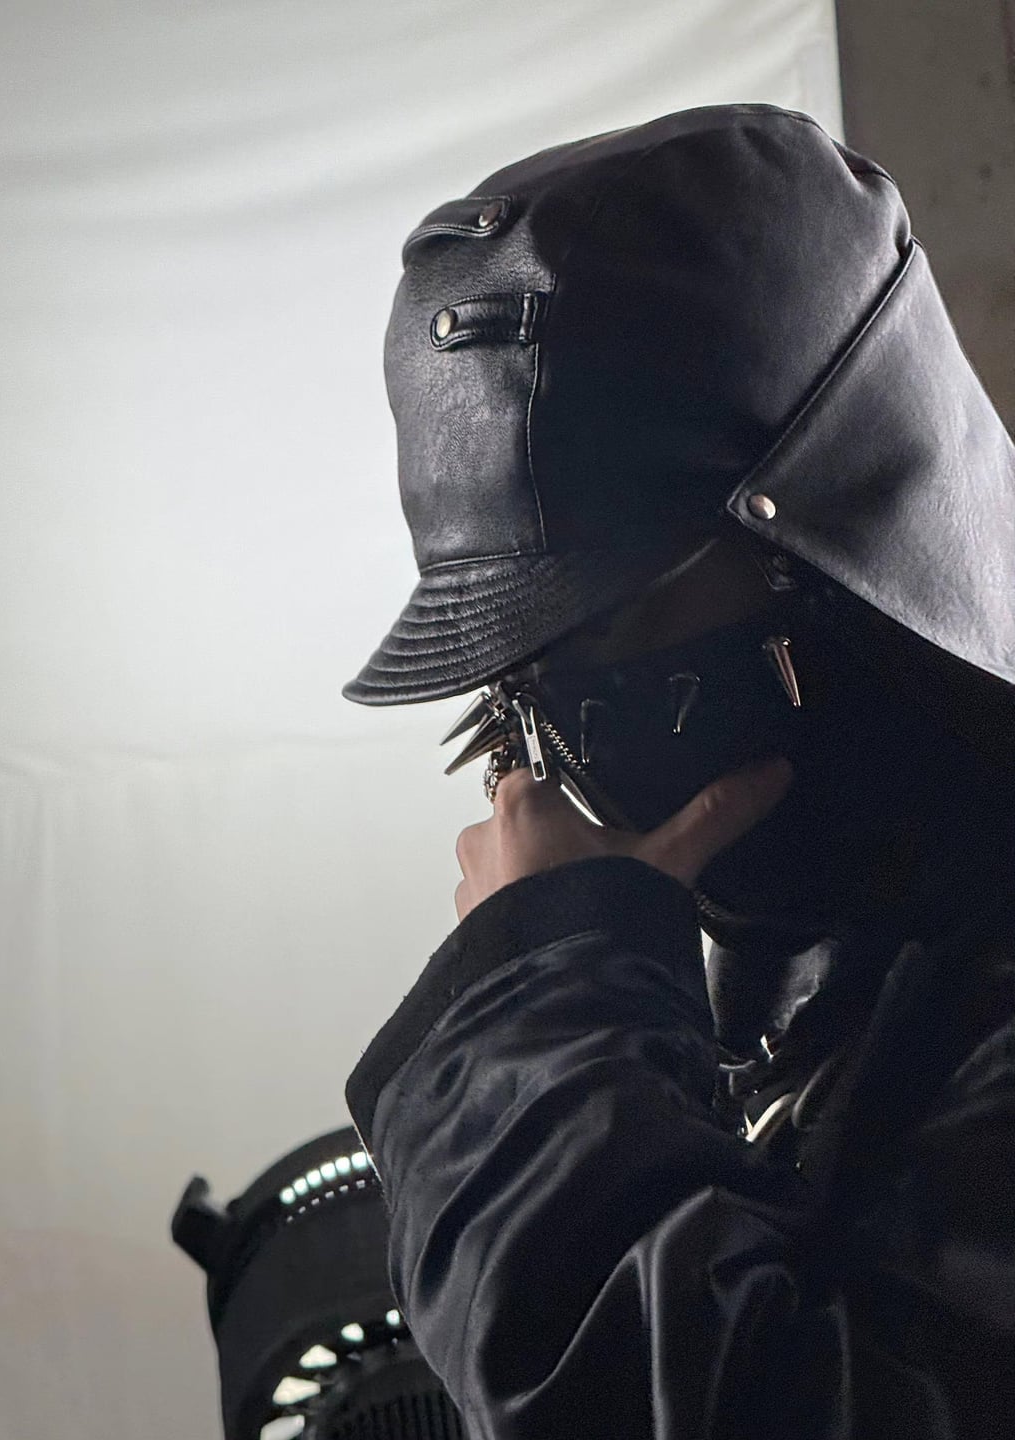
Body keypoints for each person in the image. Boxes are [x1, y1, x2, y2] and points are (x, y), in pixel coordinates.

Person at [341, 104, 1015, 1438]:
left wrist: (541, 1016)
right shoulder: (818, 925)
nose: (554, 732)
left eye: (624, 619)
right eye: (521, 664)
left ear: (841, 547)